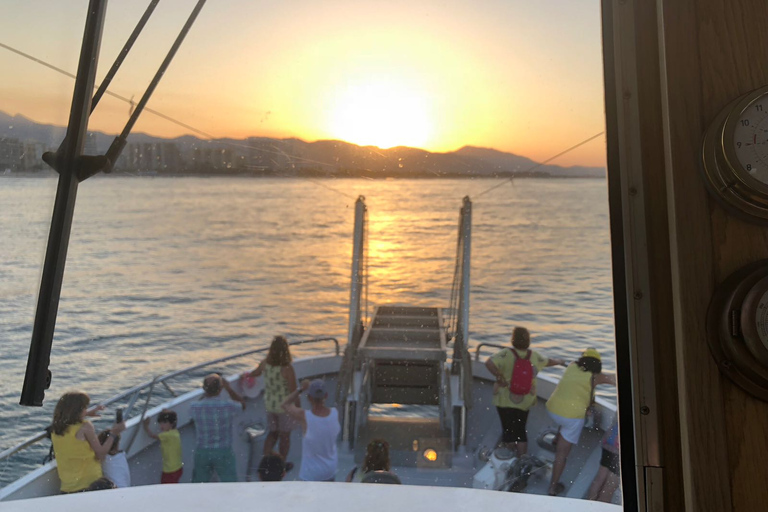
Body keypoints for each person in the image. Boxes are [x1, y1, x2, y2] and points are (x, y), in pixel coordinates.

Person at [484, 327, 565, 457]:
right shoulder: (534, 356)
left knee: (508, 430)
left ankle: (509, 456)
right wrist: (560, 361)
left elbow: (489, 363)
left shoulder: (506, 353)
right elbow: (549, 361)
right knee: (520, 430)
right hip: (525, 399)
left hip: (505, 398)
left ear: (513, 339)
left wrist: (499, 377)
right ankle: (521, 459)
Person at [545, 348, 616, 496]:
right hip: (570, 417)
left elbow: (575, 390)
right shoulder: (595, 377)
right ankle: (552, 487)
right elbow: (615, 379)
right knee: (562, 454)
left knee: (567, 410)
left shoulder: (571, 366)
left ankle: (558, 437)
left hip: (552, 409)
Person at [50, 392, 125, 493]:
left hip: (67, 489)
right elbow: (101, 455)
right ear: (78, 410)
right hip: (91, 485)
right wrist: (114, 433)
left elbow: (70, 421)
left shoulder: (55, 430)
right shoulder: (85, 427)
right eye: (85, 408)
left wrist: (87, 413)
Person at [246, 335, 298, 471]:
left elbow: (255, 373)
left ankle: (266, 461)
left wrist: (246, 376)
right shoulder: (287, 369)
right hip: (284, 408)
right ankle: (281, 465)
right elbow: (293, 391)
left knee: (272, 433)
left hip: (270, 405)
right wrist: (299, 409)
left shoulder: (265, 364)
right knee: (285, 437)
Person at [189, 373, 246, 483]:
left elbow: (200, 401)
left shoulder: (194, 407)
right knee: (230, 483)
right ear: (220, 389)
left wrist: (207, 392)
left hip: (203, 451)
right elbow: (242, 404)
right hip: (223, 451)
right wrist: (229, 389)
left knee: (199, 484)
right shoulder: (228, 406)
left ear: (204, 389)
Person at [281, 379, 340, 482]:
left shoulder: (304, 416)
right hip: (330, 470)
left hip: (311, 474)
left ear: (309, 398)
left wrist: (300, 389)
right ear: (326, 396)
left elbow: (285, 404)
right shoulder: (335, 413)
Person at [143, 409, 183, 483]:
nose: (161, 425)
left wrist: (145, 426)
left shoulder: (167, 435)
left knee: (165, 488)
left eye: (164, 422)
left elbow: (152, 435)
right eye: (160, 423)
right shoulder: (175, 432)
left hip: (170, 470)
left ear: (171, 423)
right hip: (178, 467)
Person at [587, 417, 621, 502]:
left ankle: (589, 504)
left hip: (610, 441)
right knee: (610, 486)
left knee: (600, 478)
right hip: (619, 450)